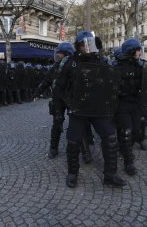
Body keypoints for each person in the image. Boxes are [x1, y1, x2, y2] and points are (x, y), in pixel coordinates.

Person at [54, 30, 126, 188]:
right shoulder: (69, 62)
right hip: (78, 109)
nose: (87, 48)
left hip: (98, 108)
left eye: (89, 44)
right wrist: (64, 106)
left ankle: (110, 174)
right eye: (83, 45)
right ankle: (73, 173)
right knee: (73, 140)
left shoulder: (103, 61)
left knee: (110, 138)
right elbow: (59, 87)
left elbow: (112, 84)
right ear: (78, 46)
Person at [114, 38, 143, 176]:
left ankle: (124, 148)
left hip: (135, 103)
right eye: (138, 50)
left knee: (136, 131)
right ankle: (128, 161)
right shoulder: (117, 68)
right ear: (131, 51)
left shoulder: (140, 67)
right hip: (122, 104)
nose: (140, 52)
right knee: (126, 132)